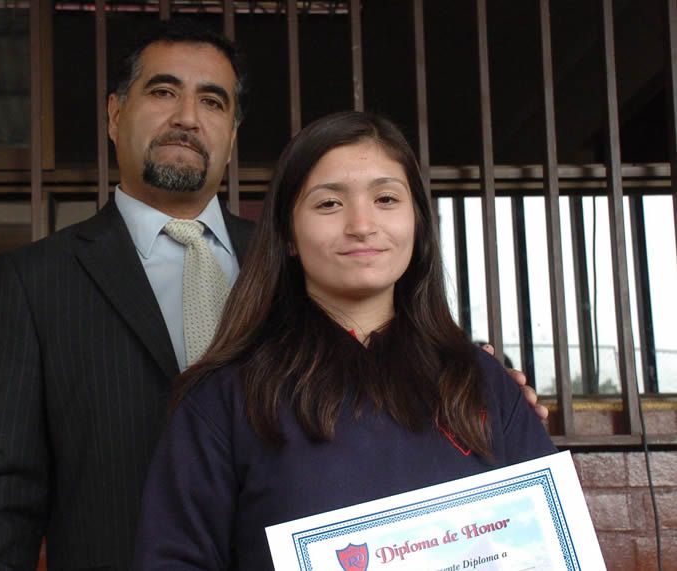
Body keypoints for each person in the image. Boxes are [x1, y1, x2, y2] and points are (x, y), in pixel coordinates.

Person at [0, 21, 544, 571]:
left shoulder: (300, 260)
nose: (187, 117)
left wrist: (479, 389)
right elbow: (2, 492)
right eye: (163, 92)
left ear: (233, 135)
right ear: (115, 114)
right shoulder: (37, 281)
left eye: (212, 102)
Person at [132, 111, 558, 570]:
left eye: (386, 199)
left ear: (417, 221)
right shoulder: (225, 399)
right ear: (288, 235)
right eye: (329, 204)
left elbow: (549, 544)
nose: (361, 224)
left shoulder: (481, 380)